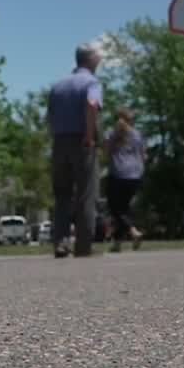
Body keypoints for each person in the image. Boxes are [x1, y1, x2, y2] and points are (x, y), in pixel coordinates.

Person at [47, 44, 104, 258]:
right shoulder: (92, 83)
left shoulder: (58, 85)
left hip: (59, 142)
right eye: (98, 59)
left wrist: (55, 138)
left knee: (62, 195)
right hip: (82, 141)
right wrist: (89, 137)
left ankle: (61, 243)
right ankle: (83, 245)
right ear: (90, 61)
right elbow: (91, 105)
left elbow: (49, 116)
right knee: (86, 194)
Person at [105, 107, 146, 252]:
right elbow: (144, 155)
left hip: (118, 174)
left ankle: (134, 232)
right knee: (124, 209)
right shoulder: (138, 134)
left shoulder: (112, 134)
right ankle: (117, 244)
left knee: (115, 208)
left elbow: (107, 152)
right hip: (136, 174)